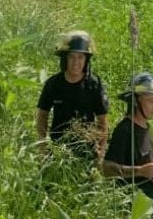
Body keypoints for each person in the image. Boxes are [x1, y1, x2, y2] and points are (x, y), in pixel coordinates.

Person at [102, 73, 153, 219]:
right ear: (135, 101)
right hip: (142, 210)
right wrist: (139, 171)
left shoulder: (147, 128)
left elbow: (151, 164)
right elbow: (107, 169)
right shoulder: (124, 130)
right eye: (151, 101)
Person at [35, 31, 109, 161]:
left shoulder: (94, 85)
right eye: (72, 57)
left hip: (87, 151)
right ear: (65, 59)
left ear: (86, 60)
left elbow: (102, 121)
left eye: (80, 57)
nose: (76, 62)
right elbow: (42, 115)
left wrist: (100, 152)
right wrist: (43, 146)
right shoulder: (53, 84)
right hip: (58, 150)